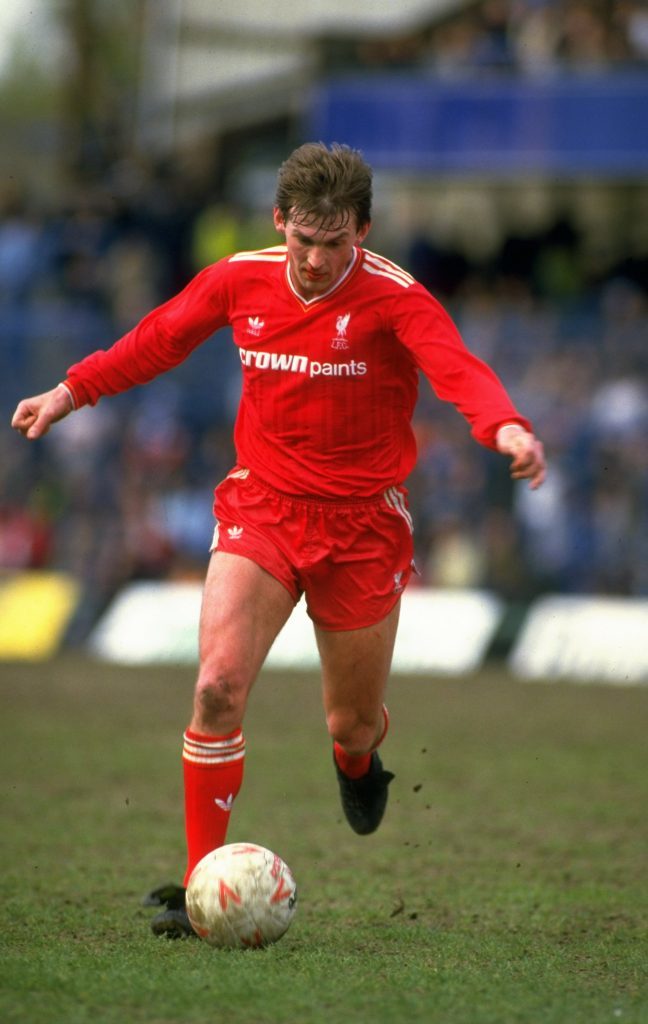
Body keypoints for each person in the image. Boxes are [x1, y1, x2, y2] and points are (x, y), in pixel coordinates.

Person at [12, 142, 546, 938]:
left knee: (350, 723)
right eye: (303, 241)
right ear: (279, 223)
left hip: (364, 526)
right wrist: (69, 390)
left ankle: (359, 763)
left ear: (361, 232)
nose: (317, 260)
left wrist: (504, 425)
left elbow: (454, 367)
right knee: (216, 688)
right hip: (260, 509)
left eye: (336, 244)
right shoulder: (240, 278)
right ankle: (202, 890)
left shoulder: (395, 297)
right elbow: (159, 336)